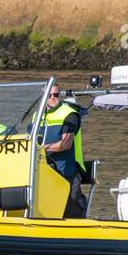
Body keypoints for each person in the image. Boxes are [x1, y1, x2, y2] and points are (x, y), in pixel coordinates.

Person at [39, 86, 88, 217]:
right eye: (49, 95)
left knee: (72, 207)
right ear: (43, 97)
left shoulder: (69, 114)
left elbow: (65, 144)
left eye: (55, 94)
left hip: (67, 170)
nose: (53, 98)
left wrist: (41, 149)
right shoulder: (37, 116)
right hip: (44, 170)